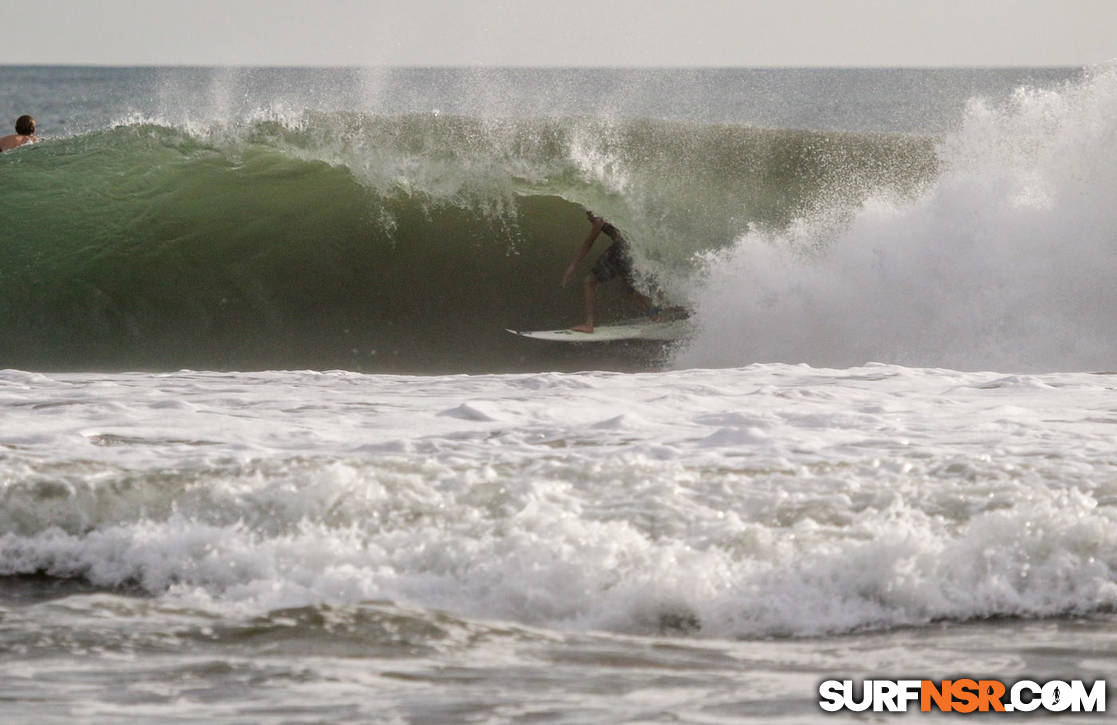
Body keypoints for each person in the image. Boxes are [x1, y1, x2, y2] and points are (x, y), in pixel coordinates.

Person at [561, 210, 657, 333]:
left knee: (589, 281)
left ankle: (589, 324)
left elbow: (589, 242)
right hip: (633, 249)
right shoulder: (608, 207)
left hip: (621, 249)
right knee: (629, 292)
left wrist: (573, 265)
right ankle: (655, 315)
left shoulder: (598, 215)